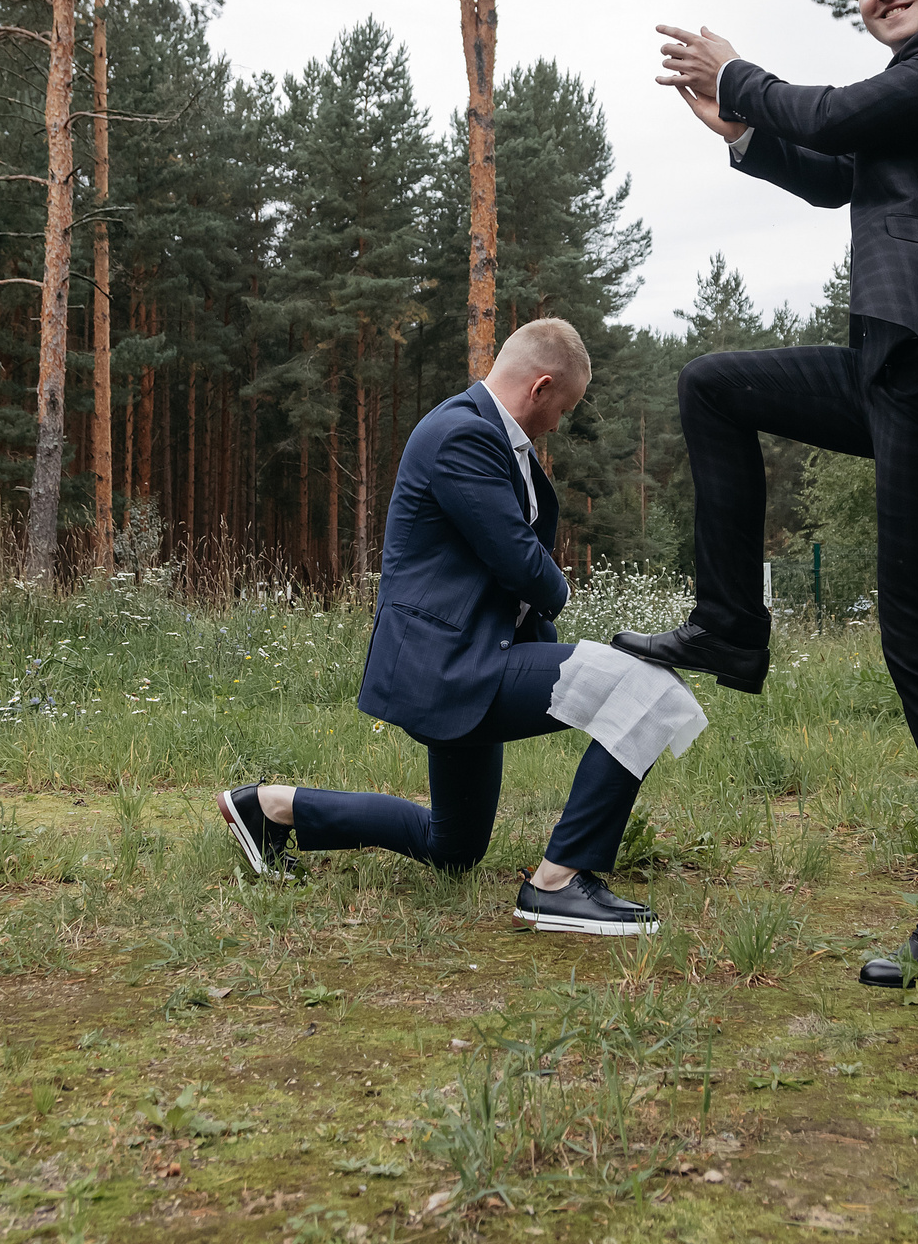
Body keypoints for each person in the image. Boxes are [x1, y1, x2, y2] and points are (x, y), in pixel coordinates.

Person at [621, 0, 918, 987]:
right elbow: (834, 168)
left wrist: (739, 74)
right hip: (893, 369)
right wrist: (748, 139)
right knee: (715, 385)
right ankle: (729, 627)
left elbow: (839, 112)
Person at [218, 319, 706, 935]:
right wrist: (562, 586)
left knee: (453, 848)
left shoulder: (482, 435)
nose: (560, 423)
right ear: (542, 385)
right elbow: (521, 562)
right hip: (454, 664)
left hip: (466, 658)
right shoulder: (462, 435)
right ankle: (557, 884)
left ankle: (266, 809)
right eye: (565, 407)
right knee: (646, 689)